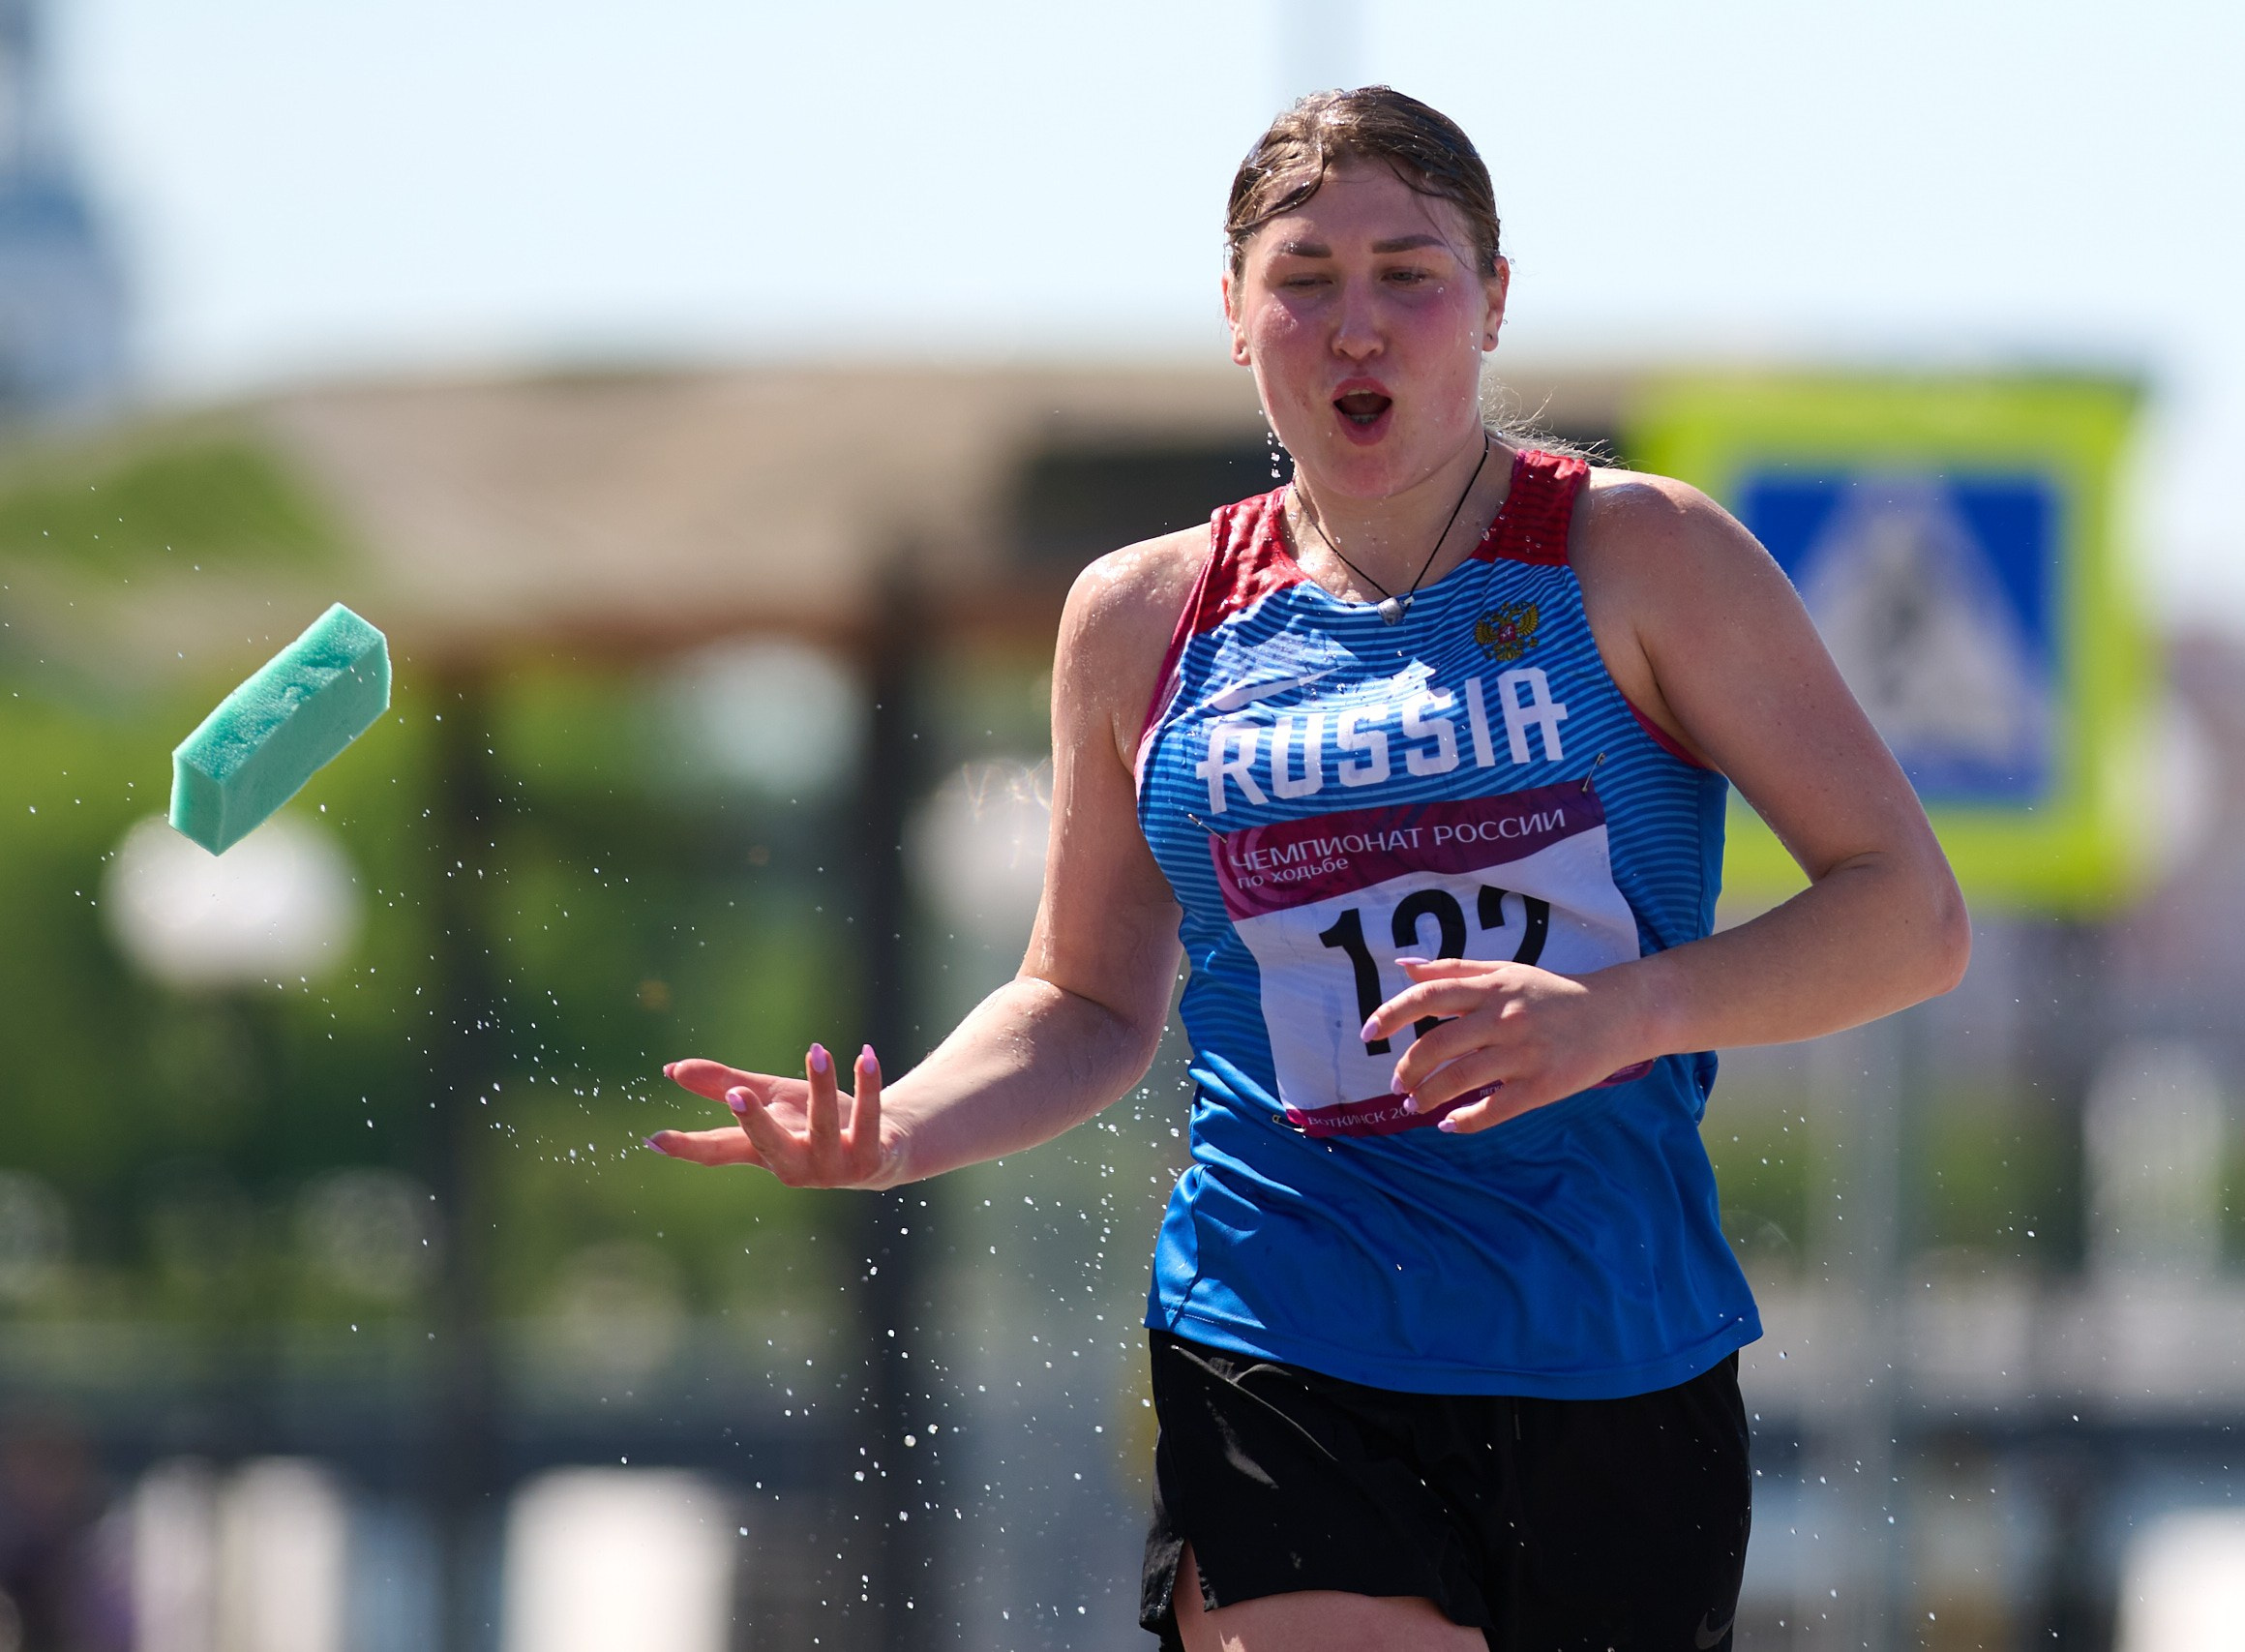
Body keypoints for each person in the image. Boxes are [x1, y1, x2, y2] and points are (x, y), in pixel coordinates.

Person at [649, 86, 1968, 1652]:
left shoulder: (1641, 559)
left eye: (1410, 275)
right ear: (1234, 314)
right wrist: (899, 1134)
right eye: (1306, 281)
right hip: (1282, 1325)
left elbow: (1909, 913)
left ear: (1492, 302)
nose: (1359, 328)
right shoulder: (1146, 619)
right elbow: (1081, 996)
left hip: (1615, 1349)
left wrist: (1615, 1016)